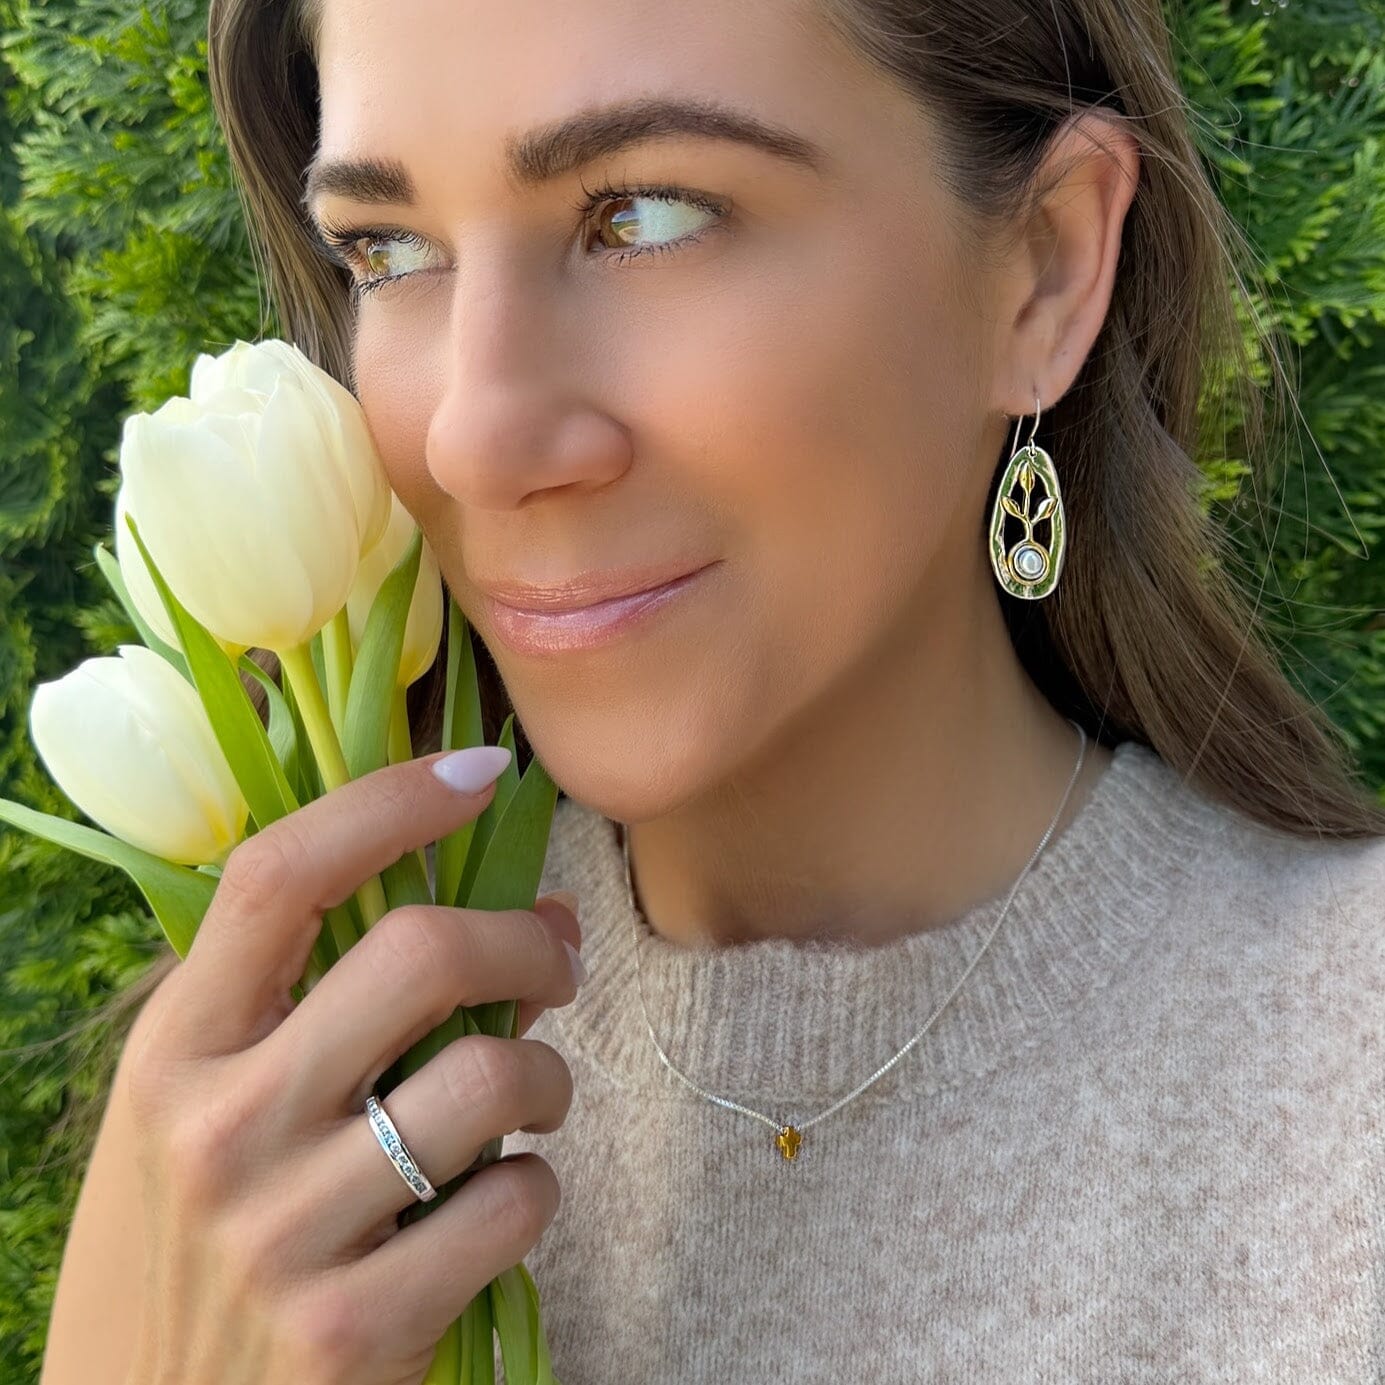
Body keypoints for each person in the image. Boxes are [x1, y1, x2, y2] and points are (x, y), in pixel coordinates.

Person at [40, 0, 1385, 1380]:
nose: (476, 434)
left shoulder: (1348, 1075)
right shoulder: (249, 1132)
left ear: (1040, 269)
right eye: (387, 250)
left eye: (647, 217)